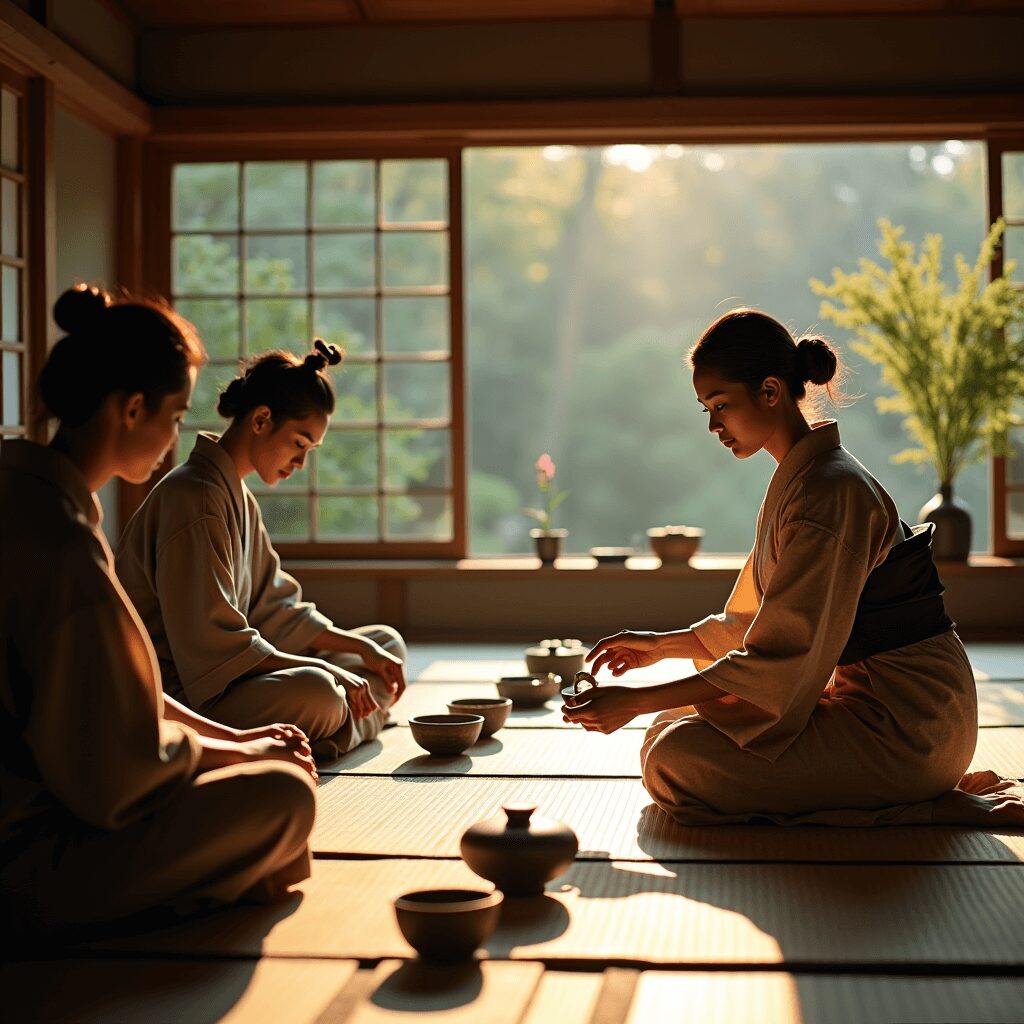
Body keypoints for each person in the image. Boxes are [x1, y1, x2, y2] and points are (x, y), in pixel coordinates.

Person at [564, 308, 1023, 827]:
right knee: (670, 729)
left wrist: (635, 701)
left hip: (907, 728)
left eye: (721, 405)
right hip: (887, 709)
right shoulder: (807, 478)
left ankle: (922, 795)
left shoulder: (826, 492)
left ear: (770, 391)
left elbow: (777, 658)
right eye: (706, 410)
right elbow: (755, 626)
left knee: (675, 761)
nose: (715, 426)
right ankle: (912, 788)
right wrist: (660, 647)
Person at [1, 285, 318, 936]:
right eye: (174, 416)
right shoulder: (67, 552)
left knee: (277, 775)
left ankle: (219, 876)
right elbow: (117, 772)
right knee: (285, 801)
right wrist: (237, 757)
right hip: (30, 860)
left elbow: (122, 693)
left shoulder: (30, 504)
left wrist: (238, 743)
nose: (177, 434)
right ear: (132, 408)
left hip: (53, 807)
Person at [116, 341, 407, 762]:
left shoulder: (236, 496)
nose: (300, 463)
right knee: (320, 691)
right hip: (186, 698)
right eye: (299, 444)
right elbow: (215, 647)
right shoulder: (194, 500)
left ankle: (332, 731)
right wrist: (331, 669)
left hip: (234, 678)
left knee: (386, 645)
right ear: (262, 419)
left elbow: (275, 610)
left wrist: (359, 649)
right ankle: (344, 727)